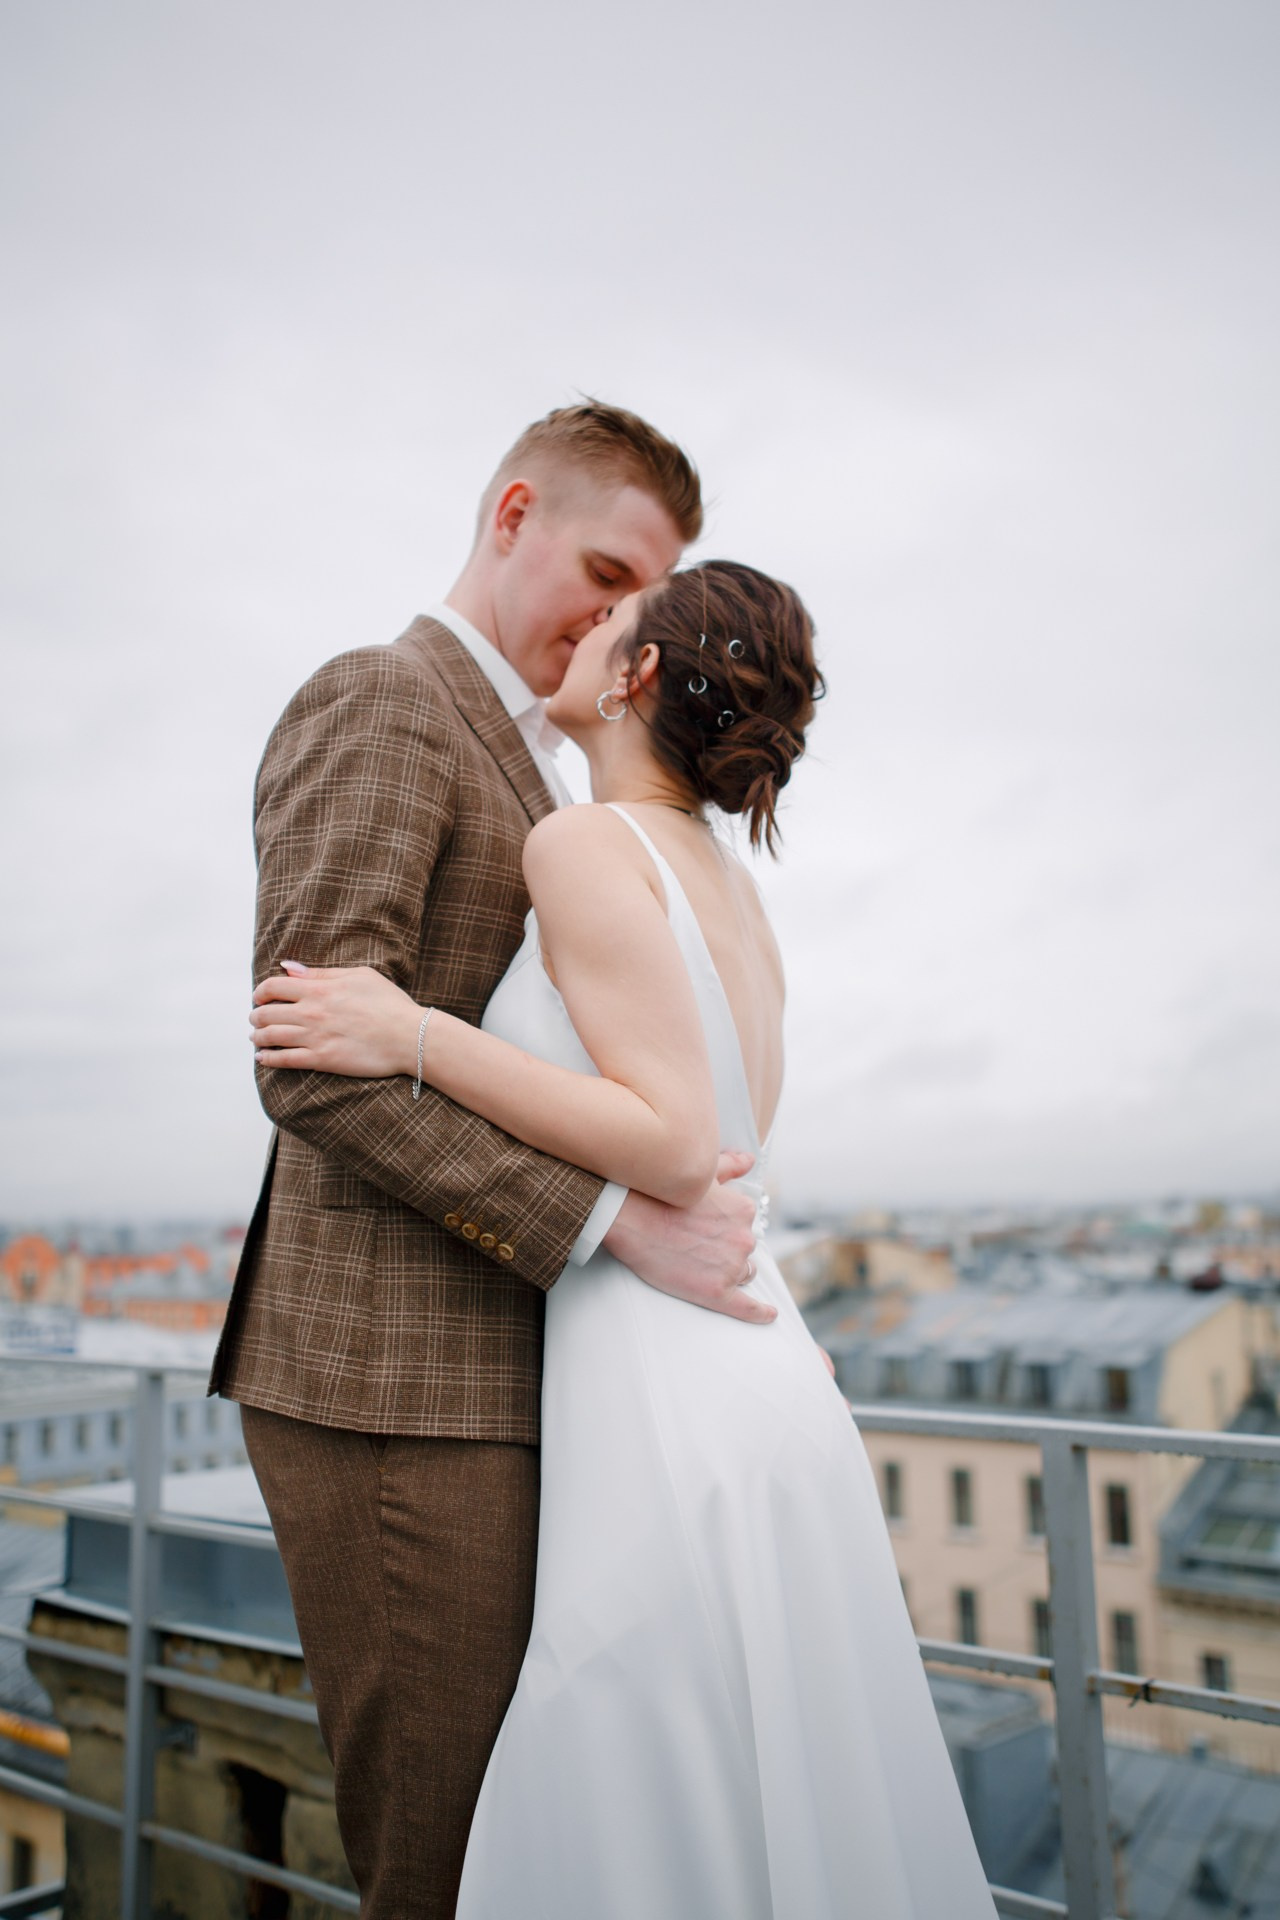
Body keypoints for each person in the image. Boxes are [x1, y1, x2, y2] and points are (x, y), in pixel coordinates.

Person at [251, 561, 1001, 1918]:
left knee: (642, 1777)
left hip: (668, 1384)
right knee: (769, 1791)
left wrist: (413, 1033)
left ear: (638, 675)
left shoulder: (588, 844)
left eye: (611, 620)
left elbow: (668, 1140)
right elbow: (727, 1146)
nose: (588, 628)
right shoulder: (731, 887)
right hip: (755, 1370)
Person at [212, 403, 773, 1920]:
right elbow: (309, 1061)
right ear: (511, 513)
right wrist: (611, 1223)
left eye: (639, 599)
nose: (614, 620)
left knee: (540, 1851)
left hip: (516, 1386)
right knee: (450, 1858)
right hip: (395, 1391)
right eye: (600, 568)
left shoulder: (560, 775)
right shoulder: (385, 701)